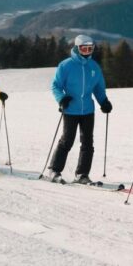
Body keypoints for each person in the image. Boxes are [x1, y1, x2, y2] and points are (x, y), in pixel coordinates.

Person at [48, 35, 112, 184]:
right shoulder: (66, 65)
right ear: (77, 48)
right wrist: (61, 99)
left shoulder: (94, 67)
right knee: (67, 141)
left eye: (90, 49)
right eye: (84, 48)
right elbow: (56, 86)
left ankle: (82, 174)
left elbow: (98, 88)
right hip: (70, 109)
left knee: (88, 143)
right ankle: (54, 170)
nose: (87, 52)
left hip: (88, 110)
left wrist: (104, 101)